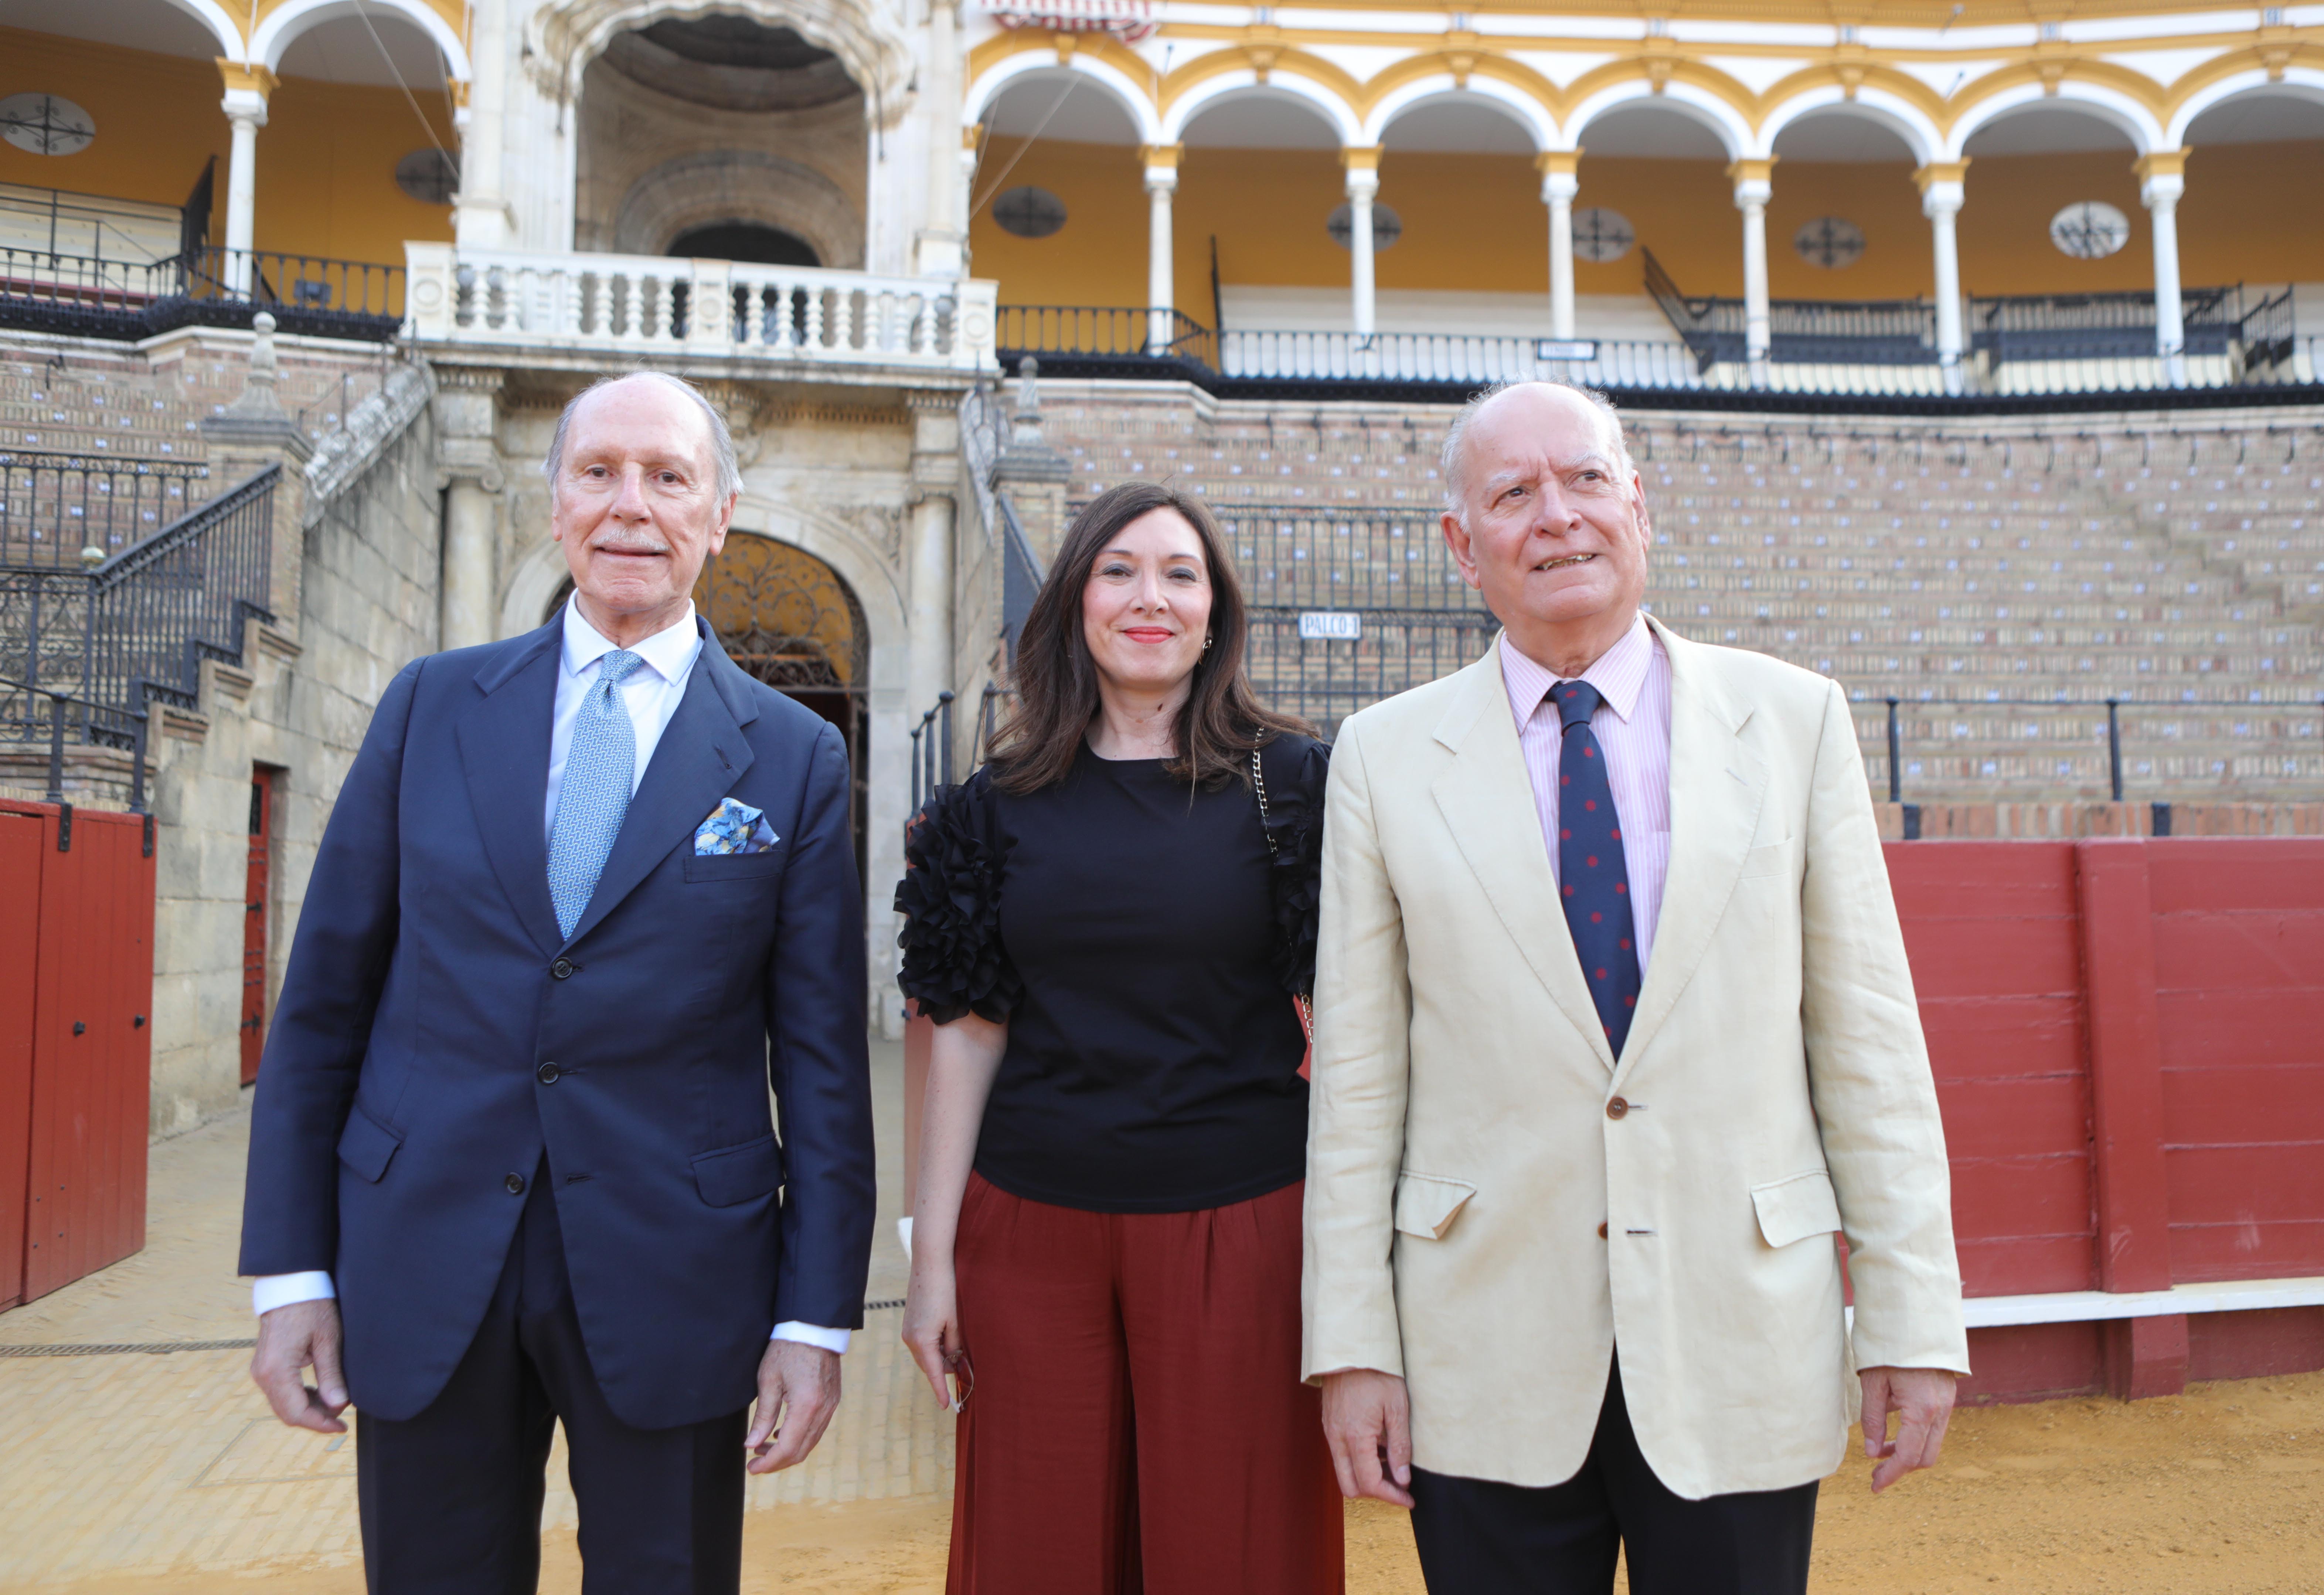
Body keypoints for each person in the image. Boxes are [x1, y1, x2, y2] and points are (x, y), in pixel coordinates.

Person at [1302, 381, 1969, 1595]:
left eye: (1585, 480)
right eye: (1511, 494)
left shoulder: (1793, 719)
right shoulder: (1382, 757)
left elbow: (1867, 1042)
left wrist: (1913, 1319)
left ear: (1638, 505)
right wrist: (1351, 1345)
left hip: (1737, 1330)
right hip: (1481, 1343)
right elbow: (1356, 1082)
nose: (1556, 517)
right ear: (1463, 545)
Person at [238, 371, 876, 1593]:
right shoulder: (431, 707)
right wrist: (292, 1270)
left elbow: (823, 1059)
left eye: (667, 477)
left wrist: (813, 1317)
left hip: (681, 1270)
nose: (630, 506)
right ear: (554, 507)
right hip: (423, 1250)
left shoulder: (795, 758)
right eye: (599, 473)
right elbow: (322, 1002)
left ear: (720, 513)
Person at [895, 481, 1342, 1594]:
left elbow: (1348, 1031)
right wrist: (931, 1261)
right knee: (1039, 1554)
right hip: (1031, 1235)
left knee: (1231, 1557)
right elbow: (965, 1037)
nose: (1151, 597)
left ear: (1214, 612)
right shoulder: (992, 804)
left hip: (1239, 1230)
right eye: (1119, 571)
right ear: (1076, 604)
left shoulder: (1286, 783)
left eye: (1179, 574)